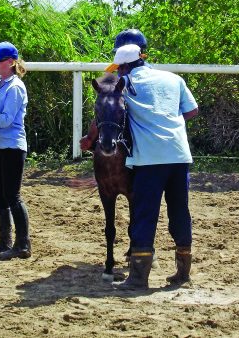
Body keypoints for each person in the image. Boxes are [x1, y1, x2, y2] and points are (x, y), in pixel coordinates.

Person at [82, 32, 199, 290]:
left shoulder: (122, 83)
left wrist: (91, 137)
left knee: (145, 214)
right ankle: (183, 272)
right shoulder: (173, 78)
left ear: (123, 67)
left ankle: (137, 278)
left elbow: (108, 109)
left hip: (149, 158)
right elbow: (192, 110)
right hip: (179, 155)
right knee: (180, 210)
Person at [0, 42, 32, 260]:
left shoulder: (15, 87)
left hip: (12, 146)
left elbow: (6, 119)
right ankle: (5, 242)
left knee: (12, 195)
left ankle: (23, 244)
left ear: (11, 63)